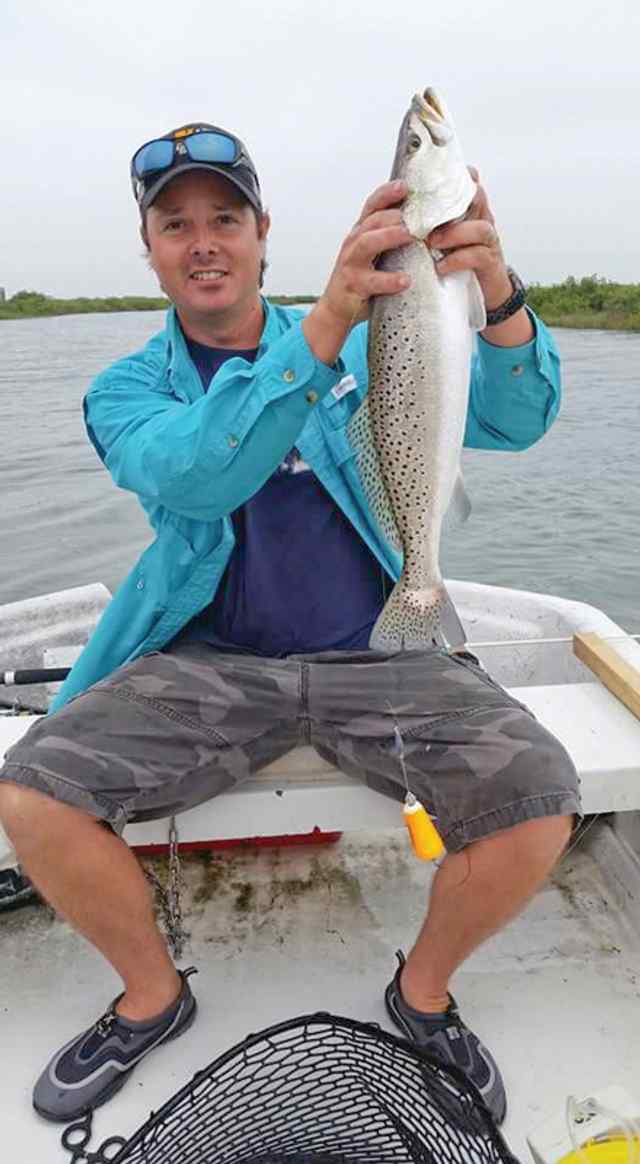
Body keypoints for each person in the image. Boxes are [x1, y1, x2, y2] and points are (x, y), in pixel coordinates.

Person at [0, 122, 580, 1126]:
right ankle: (151, 997)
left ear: (263, 231)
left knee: (538, 795)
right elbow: (198, 471)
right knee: (33, 797)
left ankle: (422, 994)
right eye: (176, 224)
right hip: (208, 662)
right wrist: (314, 337)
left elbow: (516, 421)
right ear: (149, 251)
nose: (204, 241)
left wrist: (498, 295)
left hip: (380, 648)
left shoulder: (374, 332)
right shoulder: (125, 389)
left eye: (224, 217)